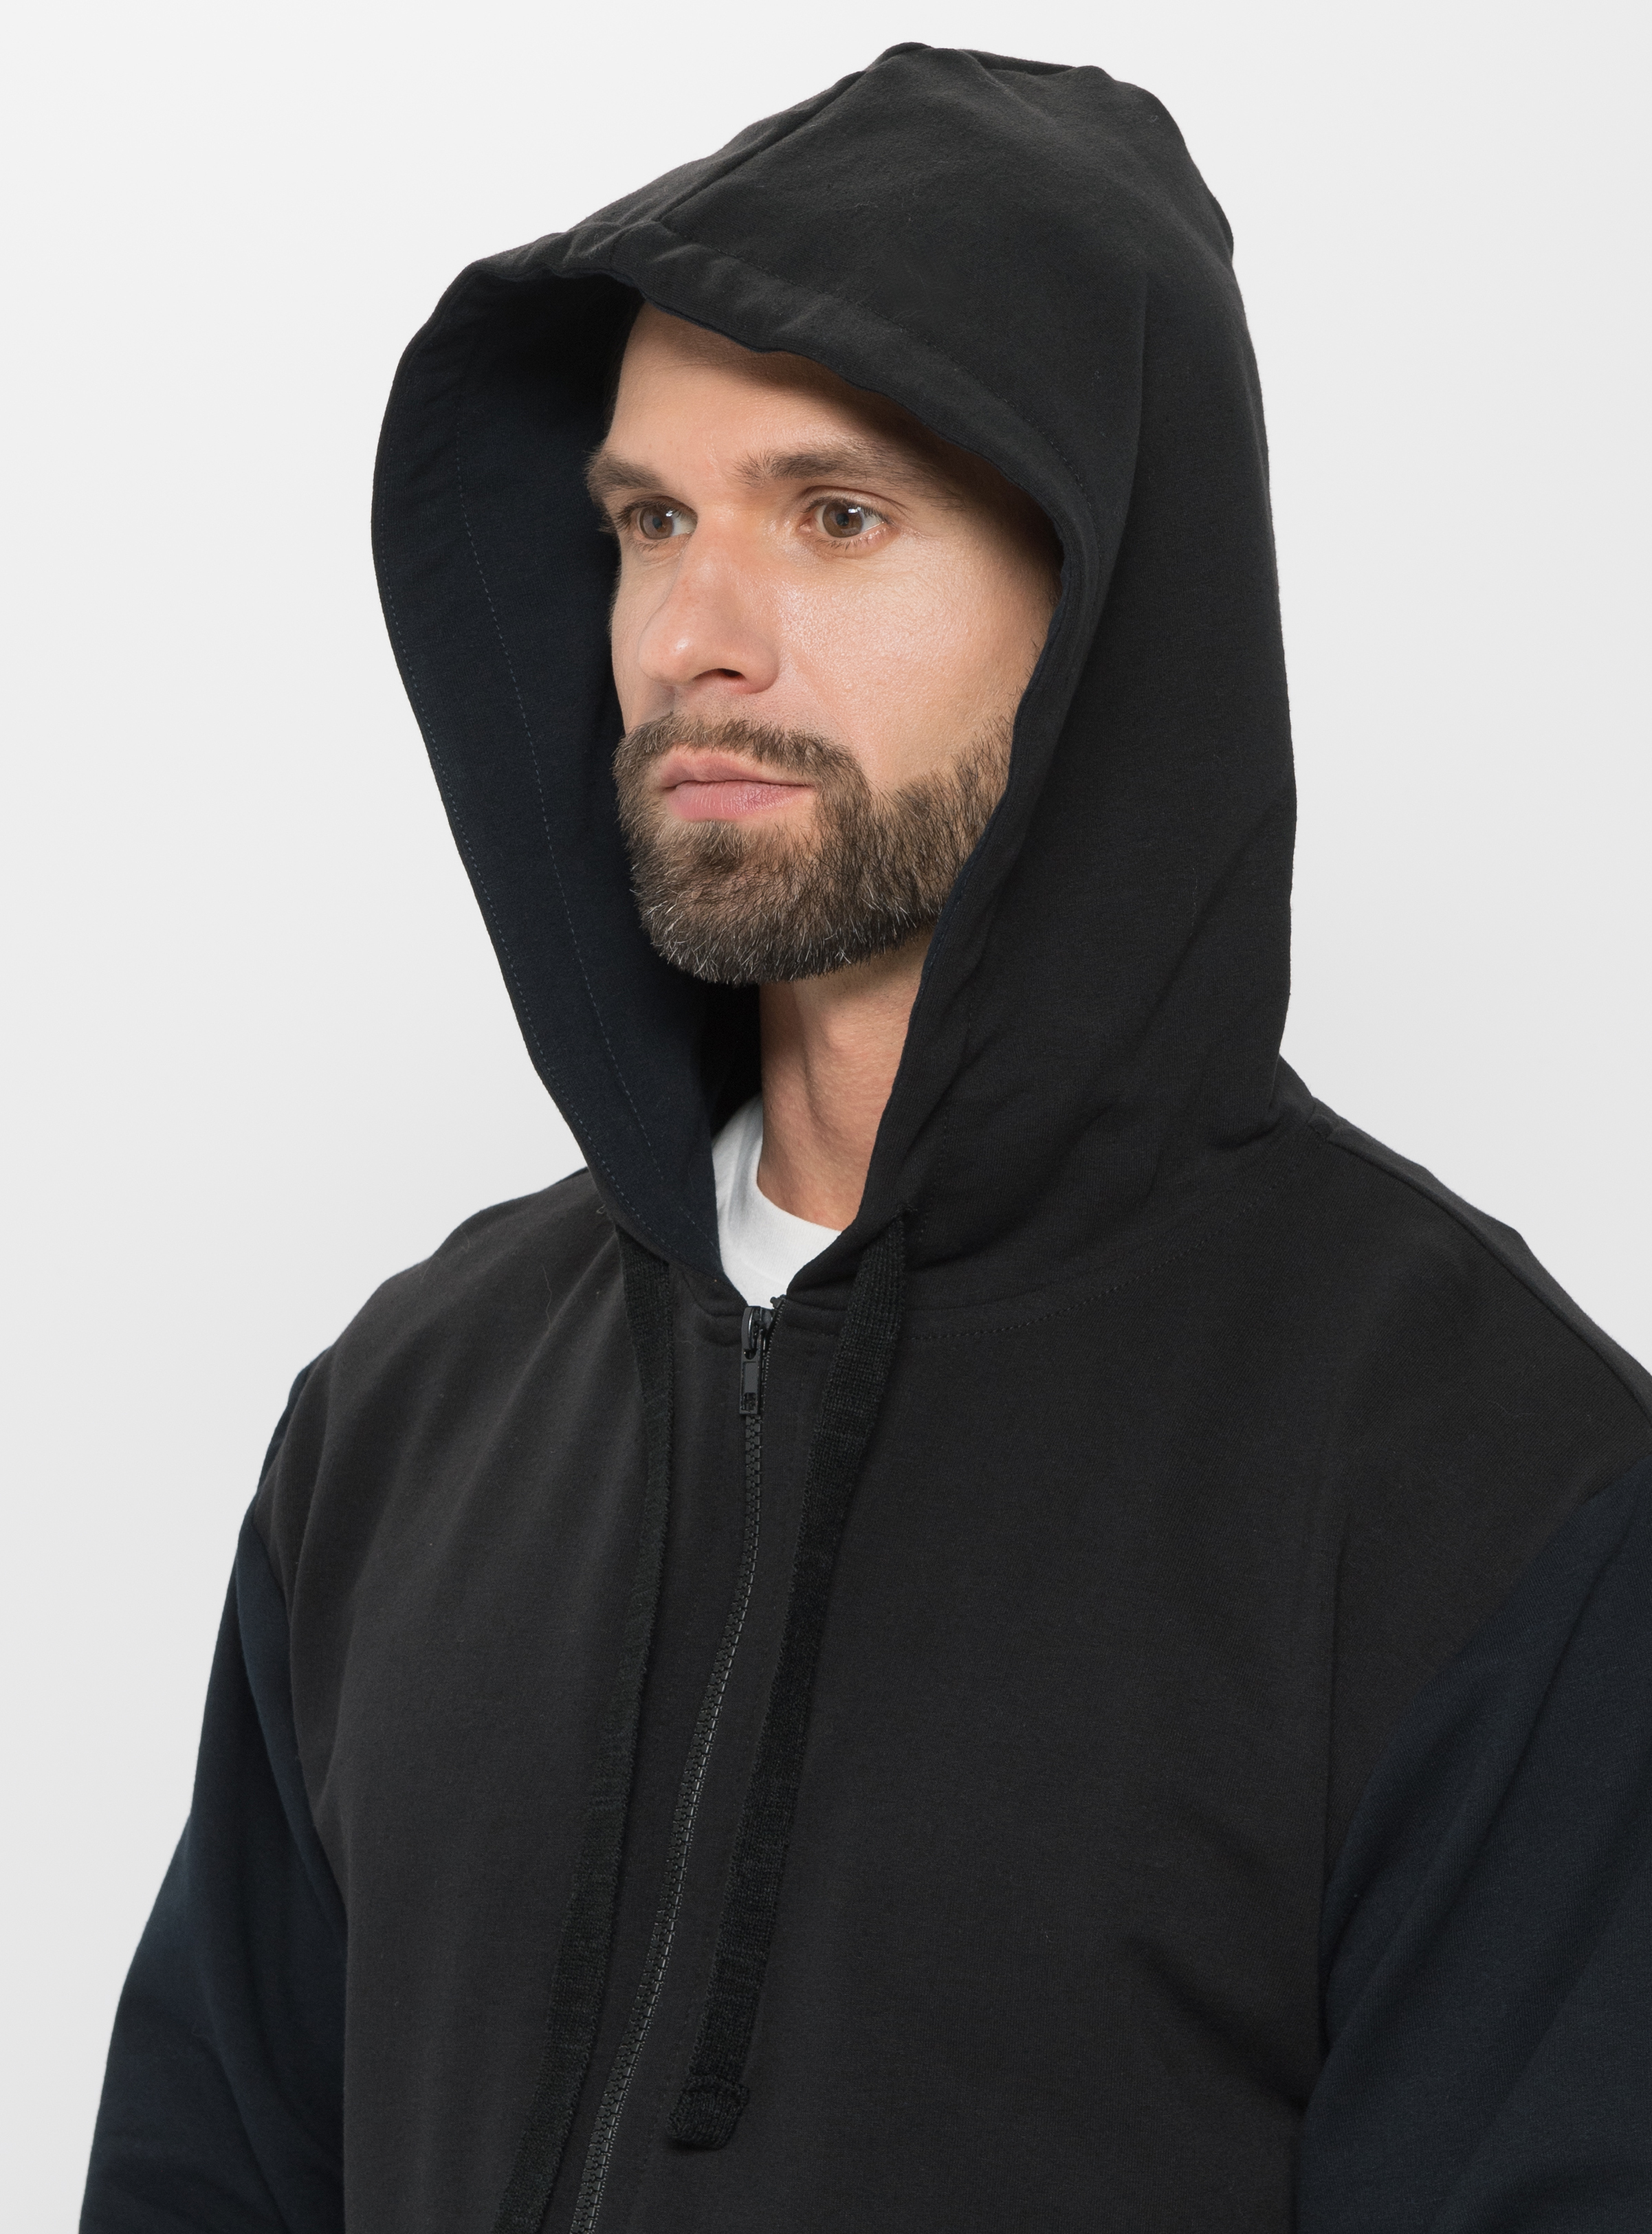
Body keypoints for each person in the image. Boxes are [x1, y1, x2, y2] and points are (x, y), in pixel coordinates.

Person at [82, 45, 1652, 2234]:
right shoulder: (404, 1419)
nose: (692, 639)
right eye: (649, 521)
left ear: (1103, 596)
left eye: (833, 514)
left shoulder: (1484, 1484)